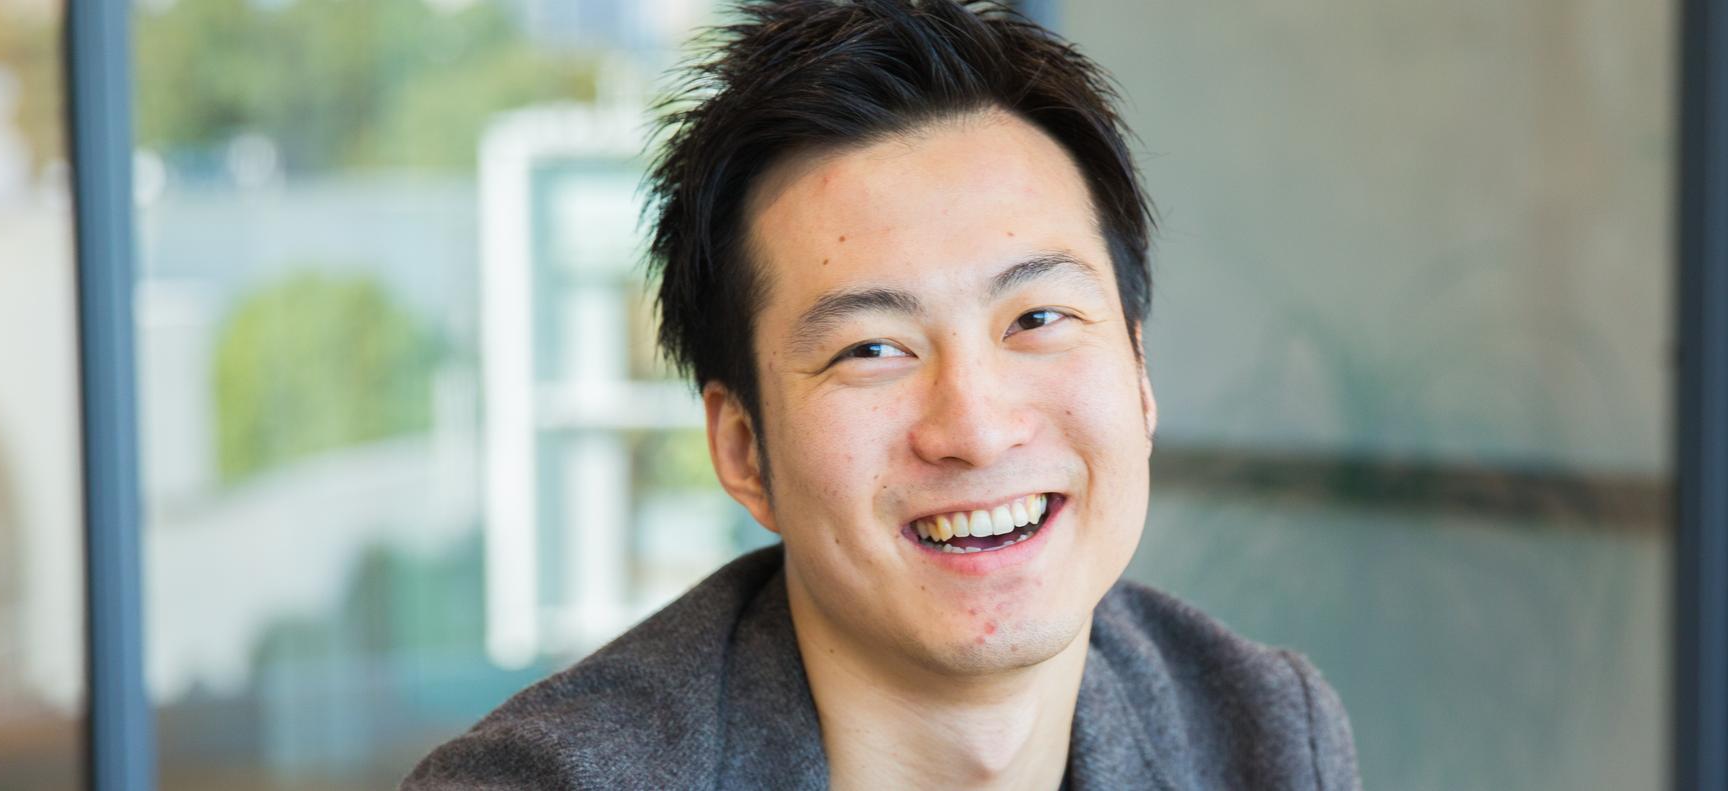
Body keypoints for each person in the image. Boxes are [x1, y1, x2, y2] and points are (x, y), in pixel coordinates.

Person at [404, 0, 1361, 787]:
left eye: (1036, 318)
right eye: (871, 348)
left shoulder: (1260, 732)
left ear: (1139, 375)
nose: (976, 428)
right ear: (743, 450)